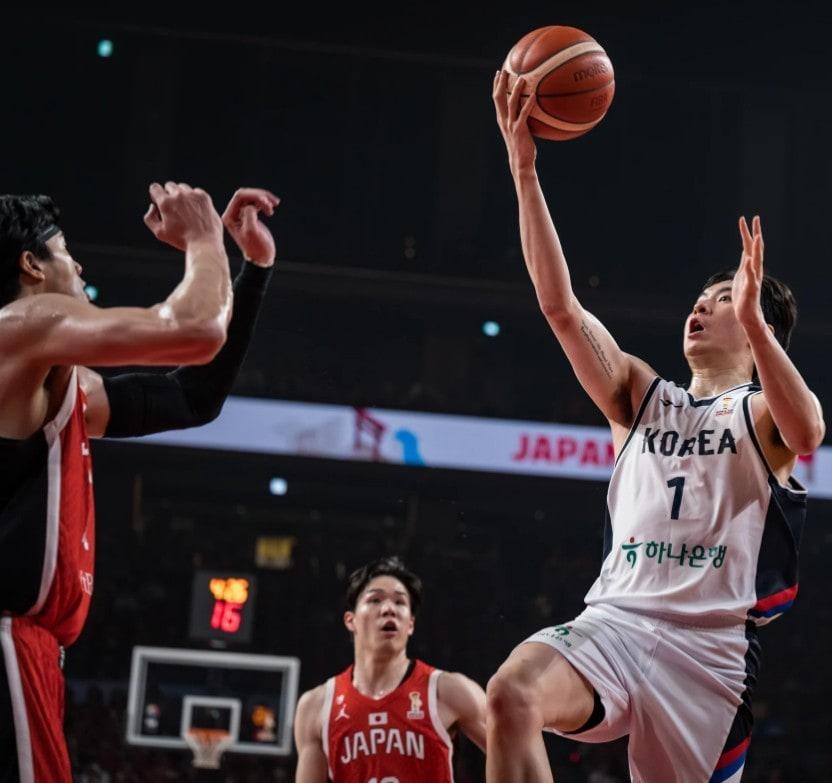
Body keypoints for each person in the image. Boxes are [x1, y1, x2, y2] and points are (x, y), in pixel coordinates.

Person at [487, 72, 826, 782]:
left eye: (720, 300)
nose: (698, 309)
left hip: (706, 653)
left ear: (759, 325)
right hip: (612, 622)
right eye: (697, 300)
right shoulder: (640, 394)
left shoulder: (760, 414)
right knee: (510, 693)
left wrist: (760, 330)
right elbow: (560, 306)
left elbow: (809, 428)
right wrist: (524, 172)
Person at [0, 182, 280, 782]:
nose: (77, 264)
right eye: (63, 250)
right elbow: (197, 329)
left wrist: (254, 268)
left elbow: (192, 396)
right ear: (30, 264)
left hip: (32, 649)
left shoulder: (58, 383)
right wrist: (203, 236)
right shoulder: (22, 320)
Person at [293, 556, 487, 782]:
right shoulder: (316, 706)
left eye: (400, 602)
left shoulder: (448, 691)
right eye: (375, 600)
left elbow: (515, 754)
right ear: (350, 620)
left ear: (411, 624)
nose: (388, 609)